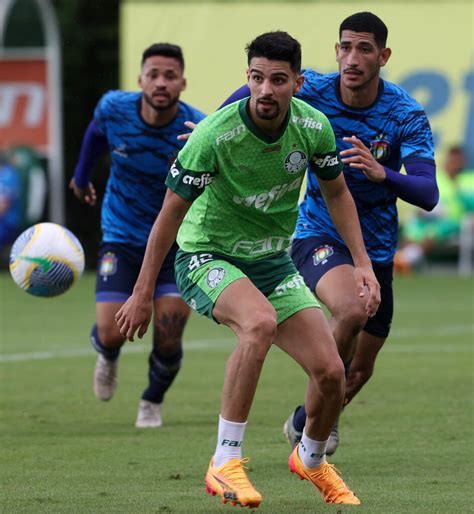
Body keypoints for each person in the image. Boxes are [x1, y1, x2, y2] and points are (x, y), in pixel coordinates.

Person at [116, 31, 380, 507]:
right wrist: (140, 293)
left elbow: (338, 193)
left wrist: (363, 265)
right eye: (257, 78)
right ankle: (225, 462)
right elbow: (170, 214)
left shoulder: (313, 128)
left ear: (297, 83)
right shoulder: (214, 135)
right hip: (206, 255)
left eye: (277, 80)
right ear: (248, 79)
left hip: (272, 263)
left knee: (331, 372)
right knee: (257, 325)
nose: (265, 90)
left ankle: (312, 459)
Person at [219, 11, 438, 456]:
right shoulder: (312, 87)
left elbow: (428, 191)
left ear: (384, 56)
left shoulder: (404, 114)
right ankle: (316, 426)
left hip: (376, 246)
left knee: (358, 371)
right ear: (335, 50)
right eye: (345, 47)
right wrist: (212, 128)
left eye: (364, 48)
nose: (351, 58)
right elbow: (250, 94)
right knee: (354, 310)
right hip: (316, 232)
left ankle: (308, 418)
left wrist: (384, 173)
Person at [69, 43, 205, 428]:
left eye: (170, 76)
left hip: (177, 242)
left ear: (183, 82)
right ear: (140, 79)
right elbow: (96, 135)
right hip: (123, 232)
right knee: (112, 331)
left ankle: (152, 400)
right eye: (154, 75)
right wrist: (81, 178)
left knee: (168, 334)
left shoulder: (195, 129)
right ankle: (108, 355)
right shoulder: (115, 109)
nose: (161, 83)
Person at [395, 145, 469, 271]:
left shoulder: (469, 180)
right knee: (411, 229)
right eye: (452, 160)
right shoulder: (437, 178)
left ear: (463, 162)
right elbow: (423, 198)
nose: (454, 164)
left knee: (432, 233)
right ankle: (403, 260)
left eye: (458, 161)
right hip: (428, 218)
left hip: (453, 222)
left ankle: (403, 261)